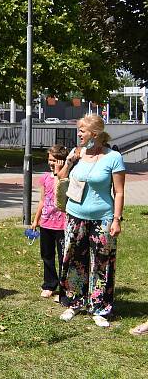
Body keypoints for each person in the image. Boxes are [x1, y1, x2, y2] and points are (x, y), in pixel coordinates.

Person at [57, 114, 126, 327]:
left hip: (102, 218)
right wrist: (69, 161)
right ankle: (75, 302)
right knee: (74, 259)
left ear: (94, 134)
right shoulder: (77, 153)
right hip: (74, 215)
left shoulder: (113, 157)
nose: (78, 134)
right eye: (78, 130)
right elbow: (61, 178)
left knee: (102, 263)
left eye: (82, 131)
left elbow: (119, 192)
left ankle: (100, 308)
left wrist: (116, 220)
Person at [30, 144, 68, 300]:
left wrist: (60, 174)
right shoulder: (45, 177)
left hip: (62, 225)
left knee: (63, 257)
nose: (51, 163)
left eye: (55, 160)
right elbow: (42, 200)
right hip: (46, 223)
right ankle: (49, 284)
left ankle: (65, 287)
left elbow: (65, 194)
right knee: (47, 255)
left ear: (63, 161)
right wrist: (36, 219)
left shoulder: (67, 178)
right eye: (50, 159)